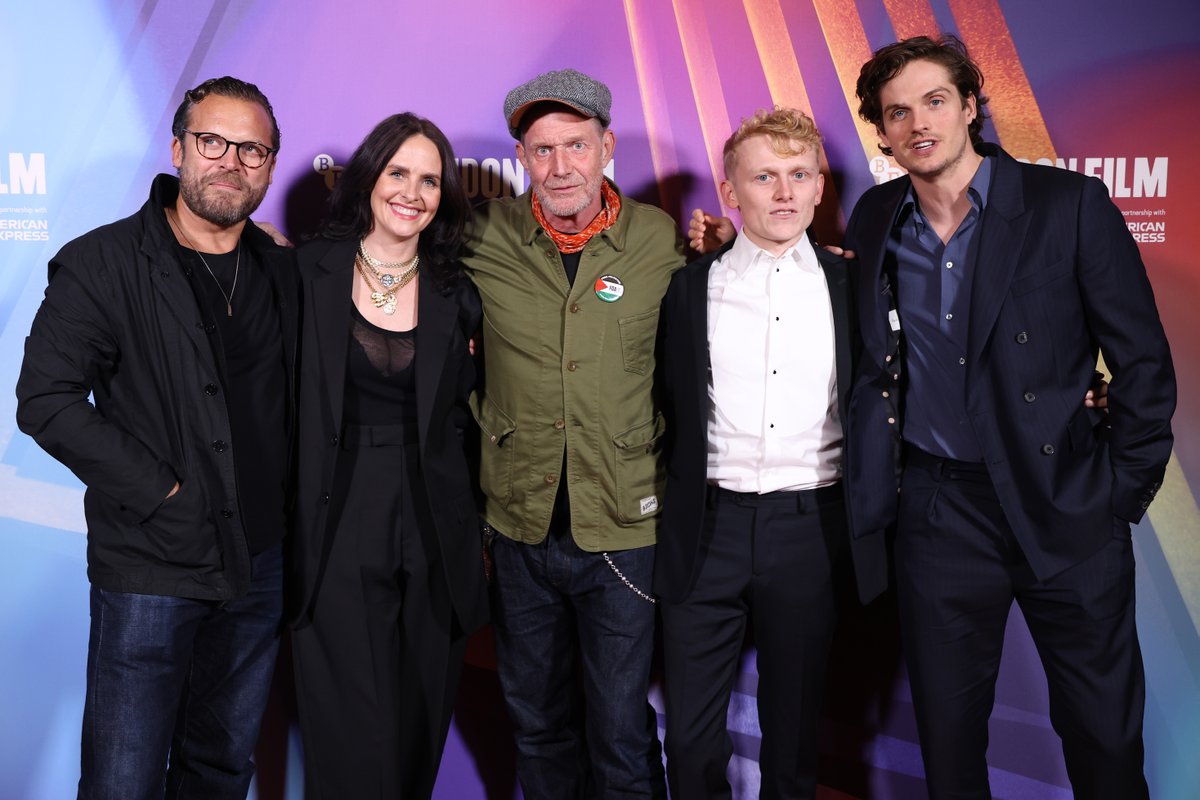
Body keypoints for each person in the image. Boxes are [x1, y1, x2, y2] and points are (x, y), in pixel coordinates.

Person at [843, 34, 1175, 799]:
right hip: (940, 512)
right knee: (950, 744)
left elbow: (1144, 364)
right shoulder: (874, 217)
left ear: (969, 106)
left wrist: (1118, 492)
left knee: (1104, 736)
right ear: (883, 132)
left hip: (1067, 501)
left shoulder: (1068, 205)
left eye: (934, 100)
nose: (918, 122)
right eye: (897, 112)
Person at [15, 77, 295, 798]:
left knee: (221, 769)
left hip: (260, 565)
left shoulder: (283, 271)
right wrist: (164, 493)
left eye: (252, 150)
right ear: (178, 150)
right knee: (123, 778)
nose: (231, 161)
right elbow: (45, 401)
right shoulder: (102, 263)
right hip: (151, 567)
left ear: (269, 164)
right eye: (213, 142)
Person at [462, 68, 683, 799]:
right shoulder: (481, 235)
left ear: (606, 146)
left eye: (577, 146)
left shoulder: (658, 238)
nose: (561, 167)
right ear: (521, 158)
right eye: (542, 149)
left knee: (620, 728)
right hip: (519, 530)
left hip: (622, 528)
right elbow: (383, 263)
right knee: (537, 722)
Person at [655, 107, 887, 800]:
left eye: (799, 175)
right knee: (692, 740)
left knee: (794, 734)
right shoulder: (686, 289)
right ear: (731, 191)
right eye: (764, 177)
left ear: (820, 187)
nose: (784, 193)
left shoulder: (860, 286)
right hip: (706, 527)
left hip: (813, 529)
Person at [286, 113, 488, 798]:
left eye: (430, 179)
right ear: (369, 177)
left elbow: (476, 414)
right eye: (398, 172)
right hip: (333, 516)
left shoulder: (458, 291)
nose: (413, 191)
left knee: (417, 726)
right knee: (351, 733)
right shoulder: (302, 273)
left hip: (436, 523)